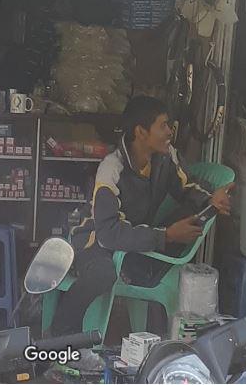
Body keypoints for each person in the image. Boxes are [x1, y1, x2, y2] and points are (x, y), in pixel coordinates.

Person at [50, 95, 235, 337]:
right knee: (102, 273)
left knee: (190, 210)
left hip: (133, 240)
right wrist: (166, 236)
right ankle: (59, 336)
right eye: (163, 125)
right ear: (141, 132)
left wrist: (211, 199)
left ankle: (147, 316)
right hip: (94, 241)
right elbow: (107, 234)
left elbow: (186, 187)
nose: (169, 131)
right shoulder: (112, 168)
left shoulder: (165, 158)